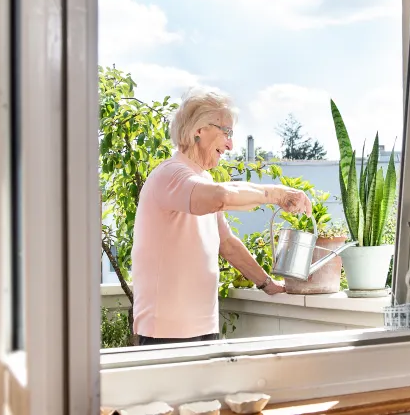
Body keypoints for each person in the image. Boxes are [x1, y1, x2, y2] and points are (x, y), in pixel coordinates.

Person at [130, 87, 312, 346]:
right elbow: (221, 196)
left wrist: (266, 283)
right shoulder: (170, 175)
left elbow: (226, 244)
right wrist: (276, 194)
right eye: (225, 132)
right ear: (198, 130)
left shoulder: (201, 179)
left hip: (204, 326)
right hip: (167, 332)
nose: (230, 144)